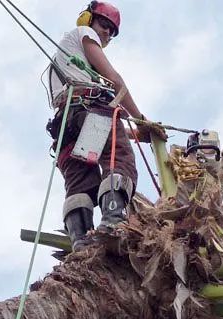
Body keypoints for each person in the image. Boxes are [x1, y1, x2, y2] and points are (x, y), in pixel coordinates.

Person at [46, 1, 166, 251]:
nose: (107, 33)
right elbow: (114, 80)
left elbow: (96, 132)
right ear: (88, 20)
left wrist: (136, 134)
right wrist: (141, 119)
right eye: (104, 25)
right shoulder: (83, 33)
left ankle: (81, 240)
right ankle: (113, 221)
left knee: (81, 179)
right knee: (119, 159)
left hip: (69, 126)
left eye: (112, 31)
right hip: (91, 112)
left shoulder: (61, 64)